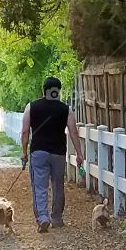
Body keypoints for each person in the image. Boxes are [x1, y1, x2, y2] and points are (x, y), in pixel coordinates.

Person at [20, 77, 85, 232]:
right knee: (58, 186)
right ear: (58, 91)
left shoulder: (32, 107)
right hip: (58, 153)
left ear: (44, 90)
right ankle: (56, 217)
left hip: (38, 151)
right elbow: (73, 131)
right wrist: (79, 153)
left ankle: (42, 217)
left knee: (39, 186)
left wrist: (24, 152)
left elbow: (25, 131)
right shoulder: (65, 109)